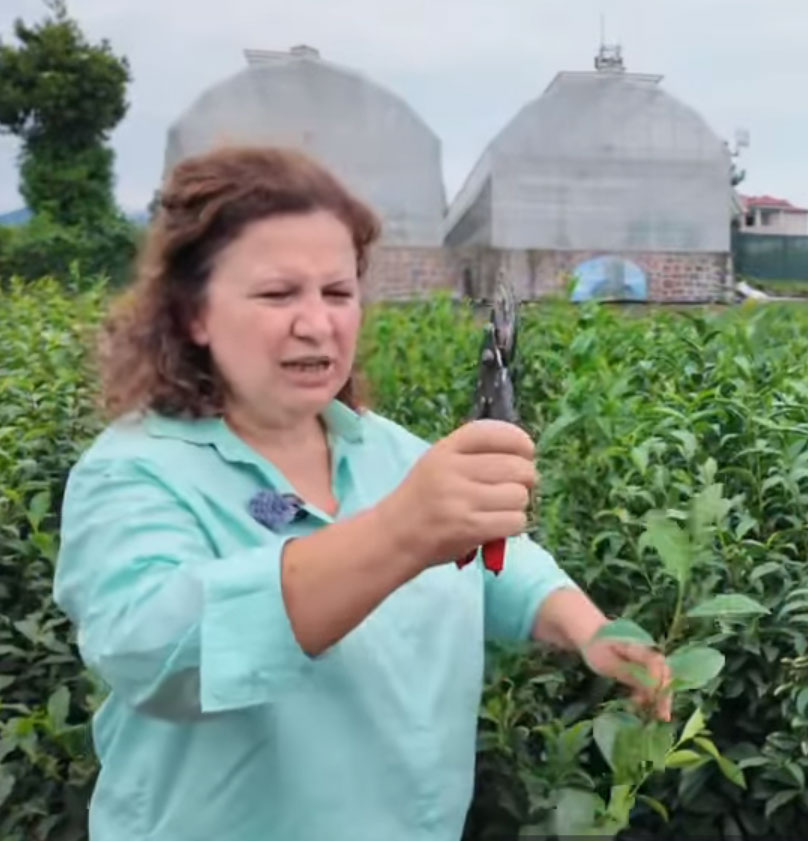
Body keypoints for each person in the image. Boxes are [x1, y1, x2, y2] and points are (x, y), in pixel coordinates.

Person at [51, 145, 672, 841]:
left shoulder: (385, 451)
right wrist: (400, 531)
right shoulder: (134, 473)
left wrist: (588, 628)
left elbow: (494, 560)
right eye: (277, 294)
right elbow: (157, 654)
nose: (316, 323)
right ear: (194, 312)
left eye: (337, 293)